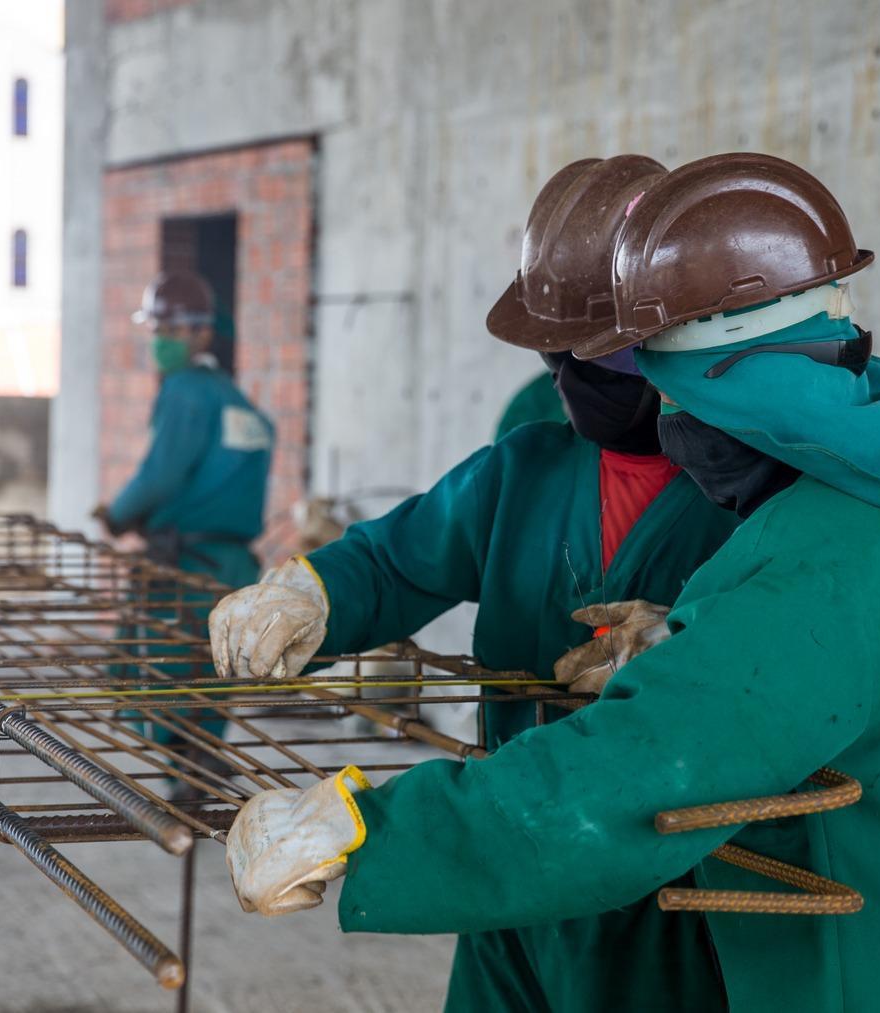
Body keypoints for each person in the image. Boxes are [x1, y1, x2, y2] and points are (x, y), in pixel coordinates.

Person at [219, 153, 880, 1013]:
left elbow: (636, 769)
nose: (668, 423)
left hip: (819, 941)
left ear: (735, 386)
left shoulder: (832, 557)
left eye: (672, 396)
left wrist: (367, 827)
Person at [209, 156, 741, 1006]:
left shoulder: (754, 494)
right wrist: (310, 591)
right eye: (559, 351)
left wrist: (684, 647)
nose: (572, 375)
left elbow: (779, 666)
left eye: (598, 353)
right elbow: (396, 558)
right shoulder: (525, 467)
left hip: (670, 886)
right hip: (505, 870)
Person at [94, 269, 273, 751]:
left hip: (186, 565)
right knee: (206, 686)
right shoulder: (234, 398)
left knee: (162, 686)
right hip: (232, 566)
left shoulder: (185, 390)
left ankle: (184, 793)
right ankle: (198, 777)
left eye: (172, 331)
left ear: (201, 331)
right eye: (158, 331)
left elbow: (161, 474)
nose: (162, 342)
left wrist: (117, 514)